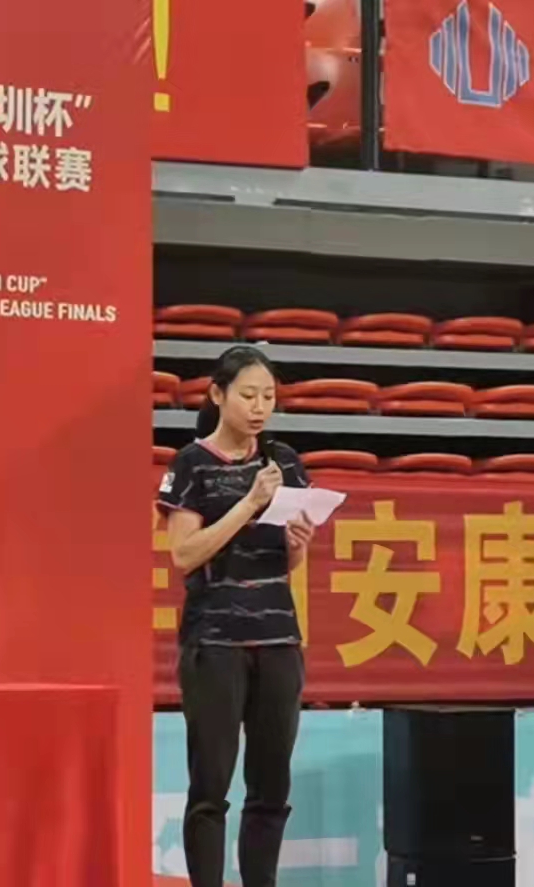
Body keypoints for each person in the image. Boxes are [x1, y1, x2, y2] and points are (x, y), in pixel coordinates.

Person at [157, 346, 316, 887]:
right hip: (215, 643)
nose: (260, 407)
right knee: (211, 788)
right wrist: (249, 504)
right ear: (217, 395)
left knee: (271, 788)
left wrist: (298, 543)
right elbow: (184, 554)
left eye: (268, 396)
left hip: (278, 638)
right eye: (248, 395)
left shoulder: (284, 462)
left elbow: (287, 560)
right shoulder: (191, 464)